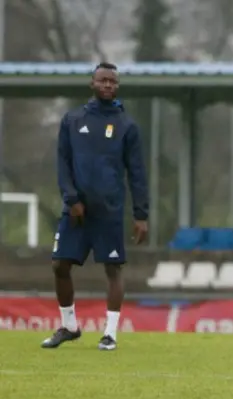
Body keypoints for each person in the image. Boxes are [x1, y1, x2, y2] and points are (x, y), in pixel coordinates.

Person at [43, 62, 149, 351]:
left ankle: (110, 334)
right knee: (59, 264)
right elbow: (63, 163)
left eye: (112, 81)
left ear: (117, 86)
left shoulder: (127, 126)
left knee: (113, 268)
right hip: (75, 211)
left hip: (109, 211)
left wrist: (141, 215)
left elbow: (137, 173)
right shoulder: (72, 120)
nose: (108, 85)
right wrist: (71, 199)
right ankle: (69, 326)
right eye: (103, 80)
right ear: (92, 83)